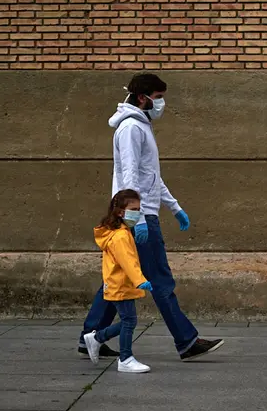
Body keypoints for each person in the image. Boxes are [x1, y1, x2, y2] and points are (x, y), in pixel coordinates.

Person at [78, 73, 224, 362]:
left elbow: (151, 178)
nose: (161, 103)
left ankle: (90, 336)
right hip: (139, 217)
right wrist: (140, 217)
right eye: (158, 97)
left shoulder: (140, 126)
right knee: (160, 279)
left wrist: (175, 207)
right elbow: (131, 176)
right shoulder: (132, 128)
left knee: (118, 277)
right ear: (143, 98)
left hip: (137, 214)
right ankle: (186, 341)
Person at [84, 189, 153, 373]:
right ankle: (125, 358)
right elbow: (127, 261)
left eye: (139, 209)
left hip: (119, 283)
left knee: (128, 320)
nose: (137, 213)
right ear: (120, 212)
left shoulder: (120, 232)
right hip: (121, 285)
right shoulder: (121, 236)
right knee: (129, 321)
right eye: (133, 209)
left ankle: (97, 338)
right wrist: (140, 280)